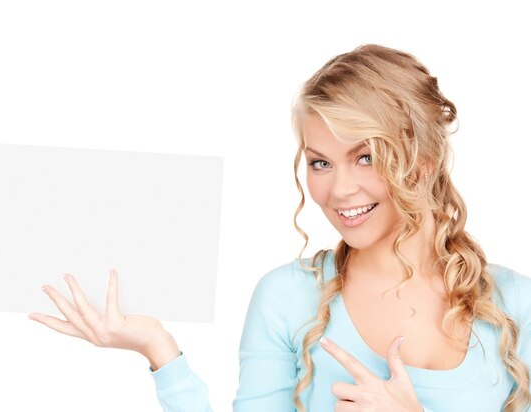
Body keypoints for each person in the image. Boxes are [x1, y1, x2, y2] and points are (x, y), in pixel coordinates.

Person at [28, 44, 531, 411]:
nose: (339, 191)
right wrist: (159, 349)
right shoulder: (287, 297)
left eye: (365, 157)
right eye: (320, 163)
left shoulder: (515, 306)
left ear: (421, 160)